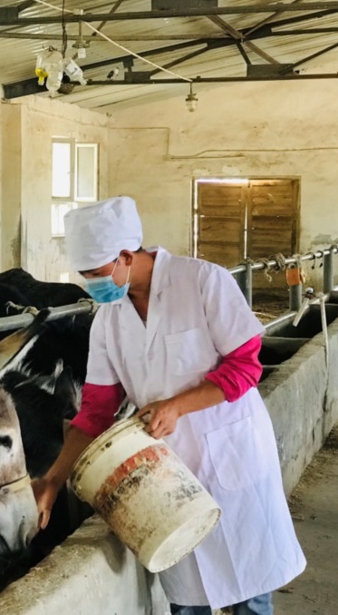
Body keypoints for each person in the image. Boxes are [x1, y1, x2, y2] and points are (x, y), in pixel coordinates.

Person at [32, 196, 305, 615]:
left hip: (232, 452)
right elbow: (96, 411)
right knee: (187, 596)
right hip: (167, 472)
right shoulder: (109, 318)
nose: (91, 284)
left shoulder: (202, 281)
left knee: (250, 593)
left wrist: (177, 405)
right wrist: (52, 480)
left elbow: (246, 366)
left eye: (95, 273)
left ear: (125, 256)